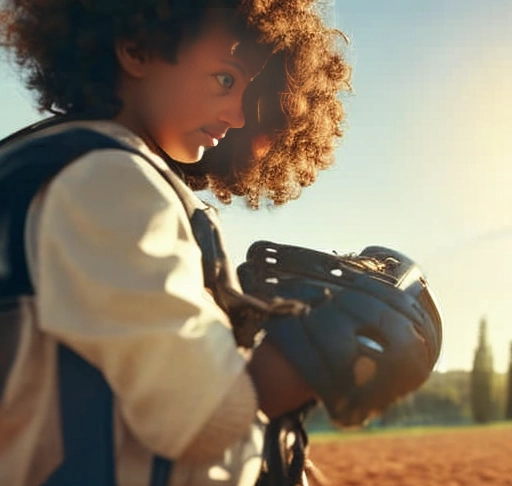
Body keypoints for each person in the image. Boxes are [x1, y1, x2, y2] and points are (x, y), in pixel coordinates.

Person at [0, 1, 351, 485]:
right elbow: (202, 420)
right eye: (227, 79)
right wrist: (312, 356)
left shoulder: (53, 161)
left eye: (250, 94)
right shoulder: (107, 180)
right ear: (137, 47)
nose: (239, 116)